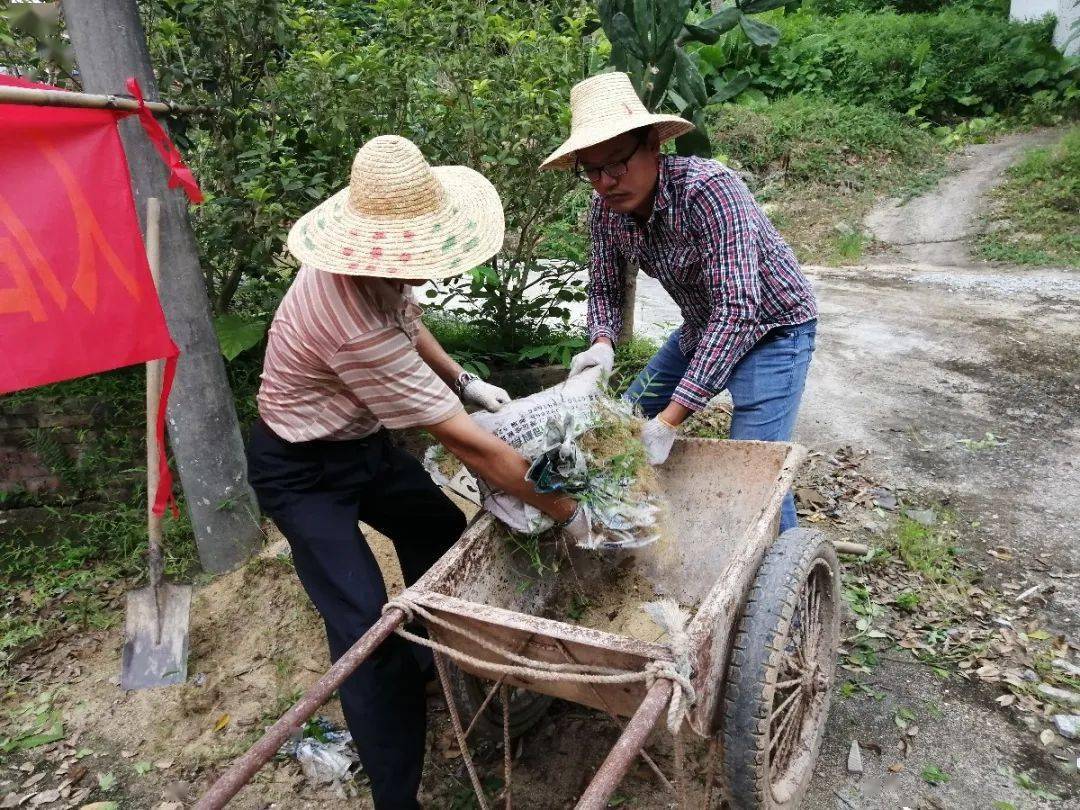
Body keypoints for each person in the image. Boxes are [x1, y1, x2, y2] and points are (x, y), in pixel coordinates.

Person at [247, 135, 587, 810]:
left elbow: (409, 322)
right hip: (300, 469)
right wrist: (572, 514)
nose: (422, 273)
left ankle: (433, 663)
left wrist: (465, 381)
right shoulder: (349, 325)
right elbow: (474, 450)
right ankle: (397, 797)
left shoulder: (372, 269)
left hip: (361, 444)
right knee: (365, 631)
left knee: (435, 525)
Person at [540, 71, 818, 533]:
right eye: (591, 171)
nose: (606, 182)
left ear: (653, 146)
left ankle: (788, 564)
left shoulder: (709, 191)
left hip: (774, 328)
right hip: (702, 327)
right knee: (621, 425)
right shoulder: (606, 211)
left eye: (617, 164)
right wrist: (602, 343)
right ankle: (639, 526)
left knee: (753, 467)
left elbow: (738, 310)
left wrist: (670, 420)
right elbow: (605, 288)